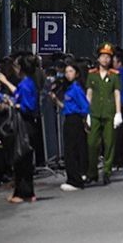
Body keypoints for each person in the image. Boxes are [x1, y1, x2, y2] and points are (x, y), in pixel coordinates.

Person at [0, 54, 39, 203]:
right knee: (23, 158)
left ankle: (24, 193)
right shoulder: (27, 83)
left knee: (21, 158)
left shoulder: (26, 84)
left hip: (24, 124)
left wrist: (15, 105)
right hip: (26, 123)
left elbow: (28, 106)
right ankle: (23, 192)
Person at [85, 43, 122, 185]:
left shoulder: (114, 75)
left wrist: (118, 113)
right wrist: (86, 112)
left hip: (109, 113)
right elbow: (89, 94)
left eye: (108, 57)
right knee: (92, 144)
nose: (105, 59)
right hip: (94, 113)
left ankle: (106, 171)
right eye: (103, 56)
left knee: (109, 143)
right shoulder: (92, 74)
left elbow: (117, 94)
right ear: (98, 58)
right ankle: (92, 172)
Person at [49, 61, 89, 191]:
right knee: (70, 151)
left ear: (76, 73)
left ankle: (75, 181)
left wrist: (85, 120)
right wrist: (55, 100)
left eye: (71, 71)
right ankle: (73, 178)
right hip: (69, 118)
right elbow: (67, 107)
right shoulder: (69, 88)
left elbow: (84, 106)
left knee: (71, 151)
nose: (68, 74)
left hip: (75, 121)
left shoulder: (76, 89)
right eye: (66, 72)